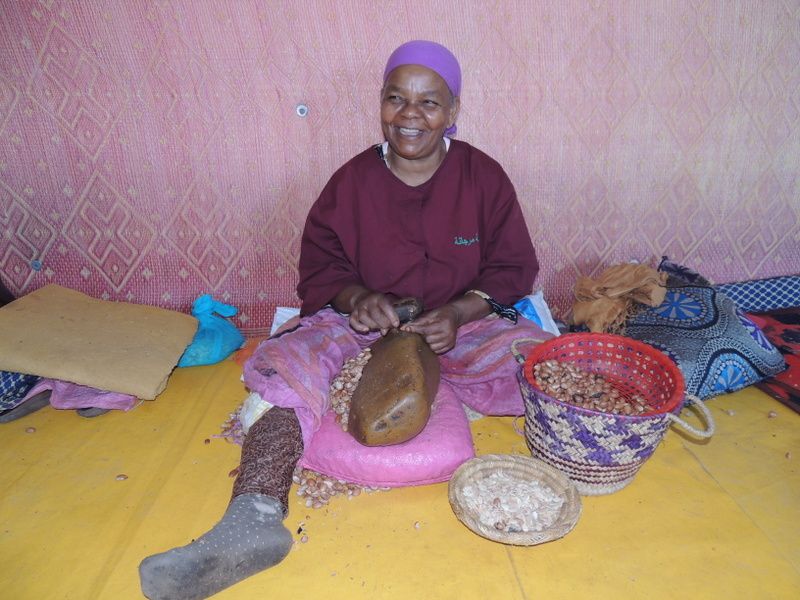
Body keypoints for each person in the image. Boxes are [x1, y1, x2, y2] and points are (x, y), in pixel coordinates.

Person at [139, 40, 546, 600]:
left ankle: (561, 470)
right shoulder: (350, 182)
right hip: (358, 326)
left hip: (460, 324)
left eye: (430, 103)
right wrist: (359, 300)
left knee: (545, 360)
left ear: (453, 112)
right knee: (284, 366)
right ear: (380, 103)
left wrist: (459, 311)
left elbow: (513, 267)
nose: (410, 115)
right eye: (396, 98)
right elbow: (321, 268)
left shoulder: (484, 177)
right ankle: (252, 519)